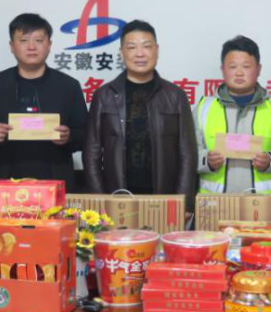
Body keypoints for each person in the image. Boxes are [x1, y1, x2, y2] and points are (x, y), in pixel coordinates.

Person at [0, 13, 88, 191]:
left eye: (38, 40)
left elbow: (86, 135)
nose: (31, 47)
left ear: (49, 45)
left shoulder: (68, 86)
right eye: (23, 40)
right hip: (4, 187)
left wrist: (69, 137)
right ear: (12, 46)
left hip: (56, 186)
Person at [83, 20, 197, 198]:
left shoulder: (176, 96)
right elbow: (92, 152)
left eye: (146, 46)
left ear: (157, 50)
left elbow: (187, 153)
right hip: (116, 195)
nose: (140, 53)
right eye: (131, 47)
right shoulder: (104, 96)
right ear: (121, 52)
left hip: (163, 196)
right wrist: (98, 199)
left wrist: (184, 202)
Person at [195, 36, 271, 194]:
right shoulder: (203, 108)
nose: (239, 73)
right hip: (216, 204)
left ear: (258, 69)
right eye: (232, 67)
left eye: (246, 66)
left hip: (265, 205)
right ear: (222, 69)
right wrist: (207, 161)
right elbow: (187, 155)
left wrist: (270, 161)